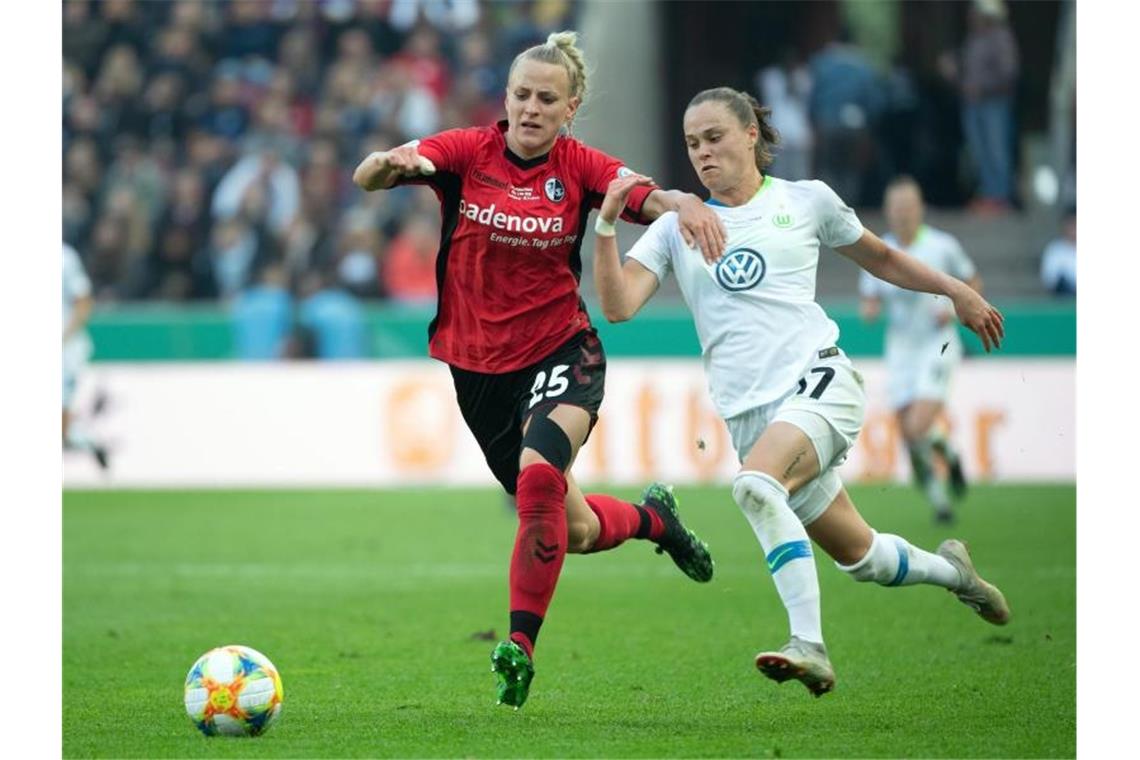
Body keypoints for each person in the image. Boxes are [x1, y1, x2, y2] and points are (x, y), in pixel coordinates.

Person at [592, 87, 1009, 698]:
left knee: (756, 487)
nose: (702, 153)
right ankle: (955, 572)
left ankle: (808, 645)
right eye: (691, 144)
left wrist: (956, 291)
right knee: (860, 556)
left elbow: (883, 259)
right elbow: (617, 305)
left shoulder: (805, 200)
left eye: (714, 137)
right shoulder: (675, 230)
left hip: (820, 380)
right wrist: (605, 225)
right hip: (752, 417)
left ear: (750, 135)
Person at [352, 31, 725, 709]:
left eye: (545, 99)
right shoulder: (467, 151)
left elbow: (637, 192)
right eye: (521, 94)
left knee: (538, 476)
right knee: (572, 528)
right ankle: (655, 522)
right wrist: (386, 164)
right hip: (477, 370)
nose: (530, 107)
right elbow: (375, 175)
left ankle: (519, 647)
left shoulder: (578, 165)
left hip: (563, 350)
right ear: (506, 98)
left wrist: (683, 202)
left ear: (569, 108)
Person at [859, 176, 980, 524]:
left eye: (908, 207)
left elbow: (972, 282)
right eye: (896, 209)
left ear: (920, 209)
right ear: (888, 212)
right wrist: (870, 309)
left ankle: (947, 454)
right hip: (900, 349)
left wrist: (956, 305)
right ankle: (941, 498)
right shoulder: (880, 250)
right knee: (909, 434)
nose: (902, 215)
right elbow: (870, 297)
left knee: (918, 423)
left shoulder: (942, 246)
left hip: (937, 343)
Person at [63, 242, 109, 470]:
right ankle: (88, 442)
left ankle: (86, 441)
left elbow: (83, 302)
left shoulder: (65, 257)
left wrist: (64, 338)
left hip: (64, 354)